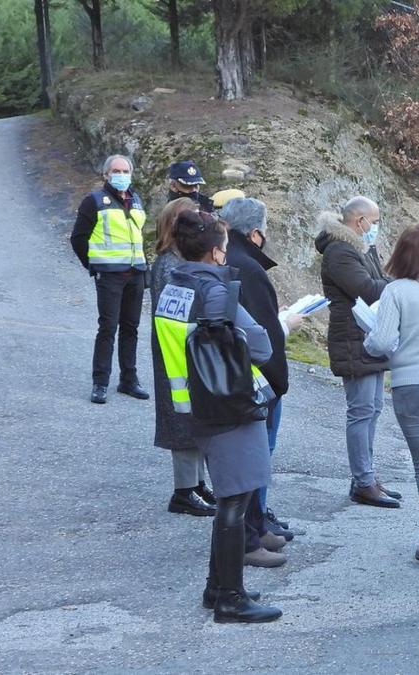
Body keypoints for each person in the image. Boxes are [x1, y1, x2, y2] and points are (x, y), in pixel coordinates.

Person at [153, 209, 282, 623]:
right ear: (214, 252)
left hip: (193, 403)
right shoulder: (216, 291)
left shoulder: (172, 285)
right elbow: (258, 346)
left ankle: (217, 587)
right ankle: (230, 597)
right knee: (235, 499)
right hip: (227, 405)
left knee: (230, 495)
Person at [363, 224, 419, 566]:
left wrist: (368, 341)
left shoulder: (395, 291)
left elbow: (382, 343)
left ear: (400, 253)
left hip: (410, 385)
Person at [221, 197, 304, 564]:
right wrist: (283, 324)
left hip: (246, 379)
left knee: (256, 462)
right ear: (255, 233)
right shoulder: (249, 269)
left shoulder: (231, 262)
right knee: (255, 462)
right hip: (259, 383)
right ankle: (249, 537)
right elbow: (262, 335)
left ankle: (257, 527)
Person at [314, 197, 399, 507]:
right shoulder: (340, 252)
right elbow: (369, 288)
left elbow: (379, 280)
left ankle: (368, 476)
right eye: (373, 222)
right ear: (359, 221)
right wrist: (399, 285)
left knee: (373, 408)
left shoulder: (360, 248)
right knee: (361, 411)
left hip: (367, 337)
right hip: (352, 339)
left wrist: (389, 282)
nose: (375, 228)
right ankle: (363, 481)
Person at [149, 196, 217, 517]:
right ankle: (184, 490)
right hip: (174, 352)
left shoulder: (178, 261)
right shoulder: (168, 264)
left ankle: (197, 484)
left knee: (194, 419)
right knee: (181, 420)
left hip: (185, 349)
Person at [70, 154, 150, 405]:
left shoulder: (136, 200)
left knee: (131, 328)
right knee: (107, 328)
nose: (121, 175)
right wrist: (93, 266)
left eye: (125, 171)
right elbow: (78, 238)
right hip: (110, 276)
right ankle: (100, 383)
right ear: (106, 174)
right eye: (116, 171)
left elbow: (137, 236)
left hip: (135, 274)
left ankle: (129, 380)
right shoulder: (93, 201)